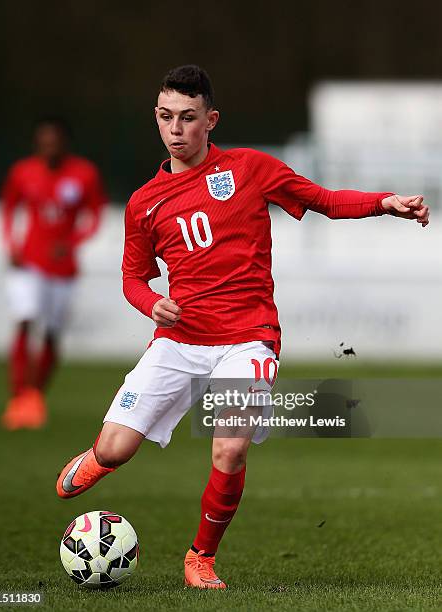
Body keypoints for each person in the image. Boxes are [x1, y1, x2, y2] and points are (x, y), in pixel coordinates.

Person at [56, 66, 429, 588]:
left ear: (211, 120)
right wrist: (151, 303)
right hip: (180, 340)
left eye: (188, 118)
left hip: (249, 337)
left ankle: (200, 558)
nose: (176, 129)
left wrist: (383, 203)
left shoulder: (249, 168)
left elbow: (322, 198)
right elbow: (133, 276)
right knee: (117, 449)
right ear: (157, 120)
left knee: (229, 445)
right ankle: (100, 456)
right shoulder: (145, 203)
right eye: (166, 118)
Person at [1, 117, 107, 430]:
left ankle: (34, 397)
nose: (48, 147)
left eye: (54, 141)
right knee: (24, 320)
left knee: (50, 332)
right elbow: (9, 209)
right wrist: (12, 245)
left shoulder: (84, 173)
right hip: (28, 263)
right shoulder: (23, 171)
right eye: (43, 142)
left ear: (64, 143)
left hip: (63, 269)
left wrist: (72, 243)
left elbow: (95, 216)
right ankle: (18, 397)